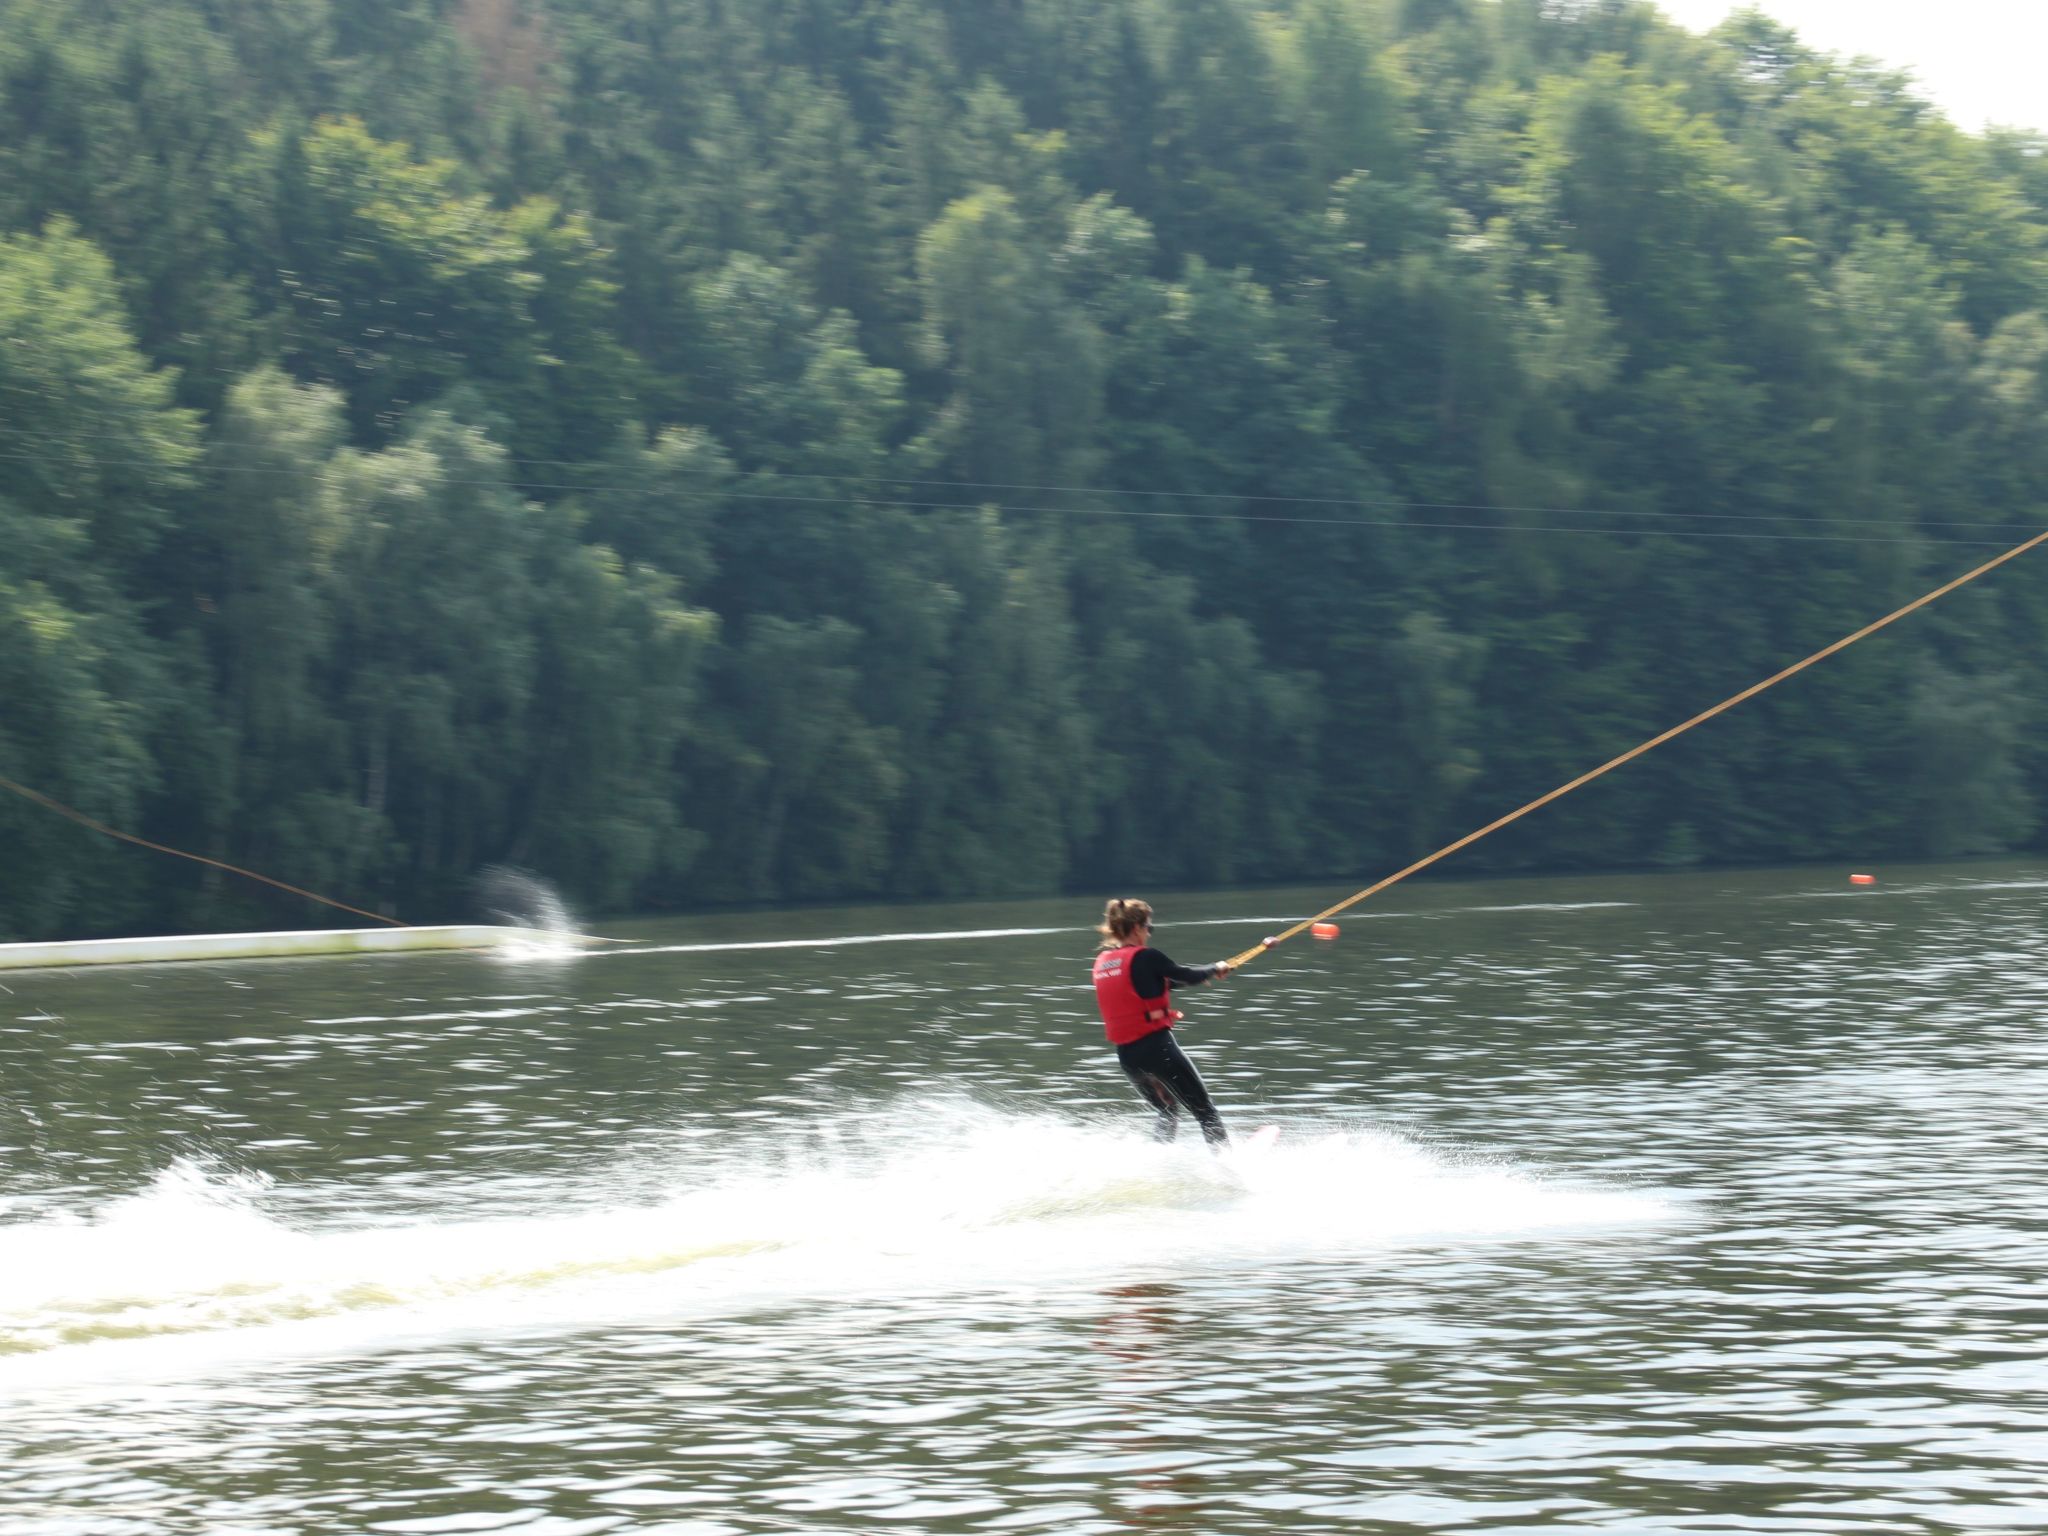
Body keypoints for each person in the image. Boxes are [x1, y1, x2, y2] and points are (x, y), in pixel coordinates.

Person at [1091, 897, 1234, 1146]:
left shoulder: (1104, 963)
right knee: (1205, 1112)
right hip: (1158, 1049)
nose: (1149, 933)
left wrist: (1208, 973)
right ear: (1136, 928)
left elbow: (1162, 983)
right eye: (1149, 927)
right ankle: (1228, 1170)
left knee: (1167, 1111)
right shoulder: (1147, 957)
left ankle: (1159, 1161)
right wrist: (1216, 967)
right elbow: (1184, 975)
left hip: (1128, 1057)